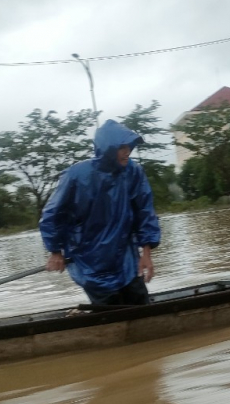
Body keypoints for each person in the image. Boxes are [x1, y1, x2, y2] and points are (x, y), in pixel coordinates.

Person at [39, 119, 161, 305]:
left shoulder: (133, 172)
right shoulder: (76, 175)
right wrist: (55, 251)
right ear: (108, 149)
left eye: (129, 146)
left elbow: (145, 212)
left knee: (142, 306)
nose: (127, 151)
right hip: (90, 261)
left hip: (126, 260)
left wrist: (146, 253)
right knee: (110, 315)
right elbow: (52, 215)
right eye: (121, 147)